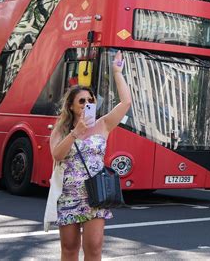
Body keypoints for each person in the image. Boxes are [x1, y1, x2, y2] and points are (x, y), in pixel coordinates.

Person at [50, 50, 131, 261]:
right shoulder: (61, 129)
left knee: (94, 248)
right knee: (69, 248)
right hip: (68, 194)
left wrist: (117, 73)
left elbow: (126, 103)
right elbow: (57, 155)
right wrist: (74, 133)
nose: (87, 103)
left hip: (95, 194)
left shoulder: (102, 124)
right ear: (71, 106)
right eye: (81, 101)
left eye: (90, 99)